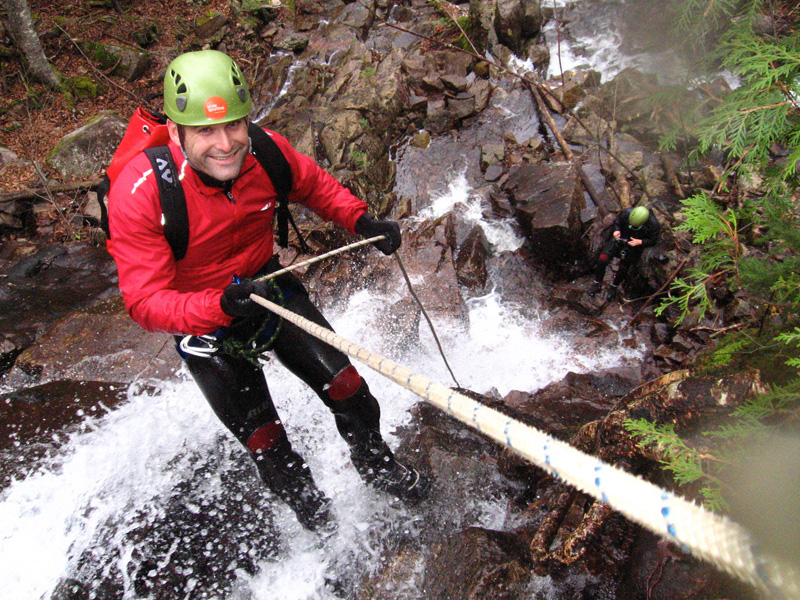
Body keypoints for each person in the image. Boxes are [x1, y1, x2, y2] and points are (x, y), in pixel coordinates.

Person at [107, 50, 429, 533]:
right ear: (176, 133)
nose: (225, 144)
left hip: (265, 282)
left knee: (350, 390)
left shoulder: (266, 150)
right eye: (205, 131)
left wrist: (361, 221)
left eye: (234, 125)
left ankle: (378, 468)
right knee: (266, 440)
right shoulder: (143, 193)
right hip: (203, 319)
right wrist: (216, 304)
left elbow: (314, 185)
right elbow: (145, 301)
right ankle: (317, 521)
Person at [588, 206, 660, 302]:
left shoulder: (653, 225)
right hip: (620, 239)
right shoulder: (626, 213)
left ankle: (614, 287)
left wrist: (640, 242)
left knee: (624, 267)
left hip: (635, 245)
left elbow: (654, 240)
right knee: (602, 259)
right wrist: (617, 230)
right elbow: (617, 222)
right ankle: (597, 283)